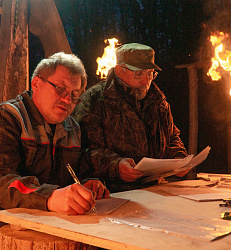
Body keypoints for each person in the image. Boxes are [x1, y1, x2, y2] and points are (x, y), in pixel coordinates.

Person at [0, 52, 109, 215]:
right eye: (61, 89)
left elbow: (77, 174)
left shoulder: (72, 128)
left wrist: (87, 184)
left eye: (74, 95)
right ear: (36, 84)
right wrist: (50, 197)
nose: (67, 101)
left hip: (57, 224)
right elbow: (2, 182)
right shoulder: (8, 118)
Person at [74, 43, 188, 192]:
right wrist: (115, 166)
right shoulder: (94, 100)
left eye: (150, 73)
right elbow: (83, 150)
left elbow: (172, 136)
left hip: (155, 190)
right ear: (120, 70)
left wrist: (178, 158)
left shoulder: (159, 101)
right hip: (111, 194)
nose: (146, 80)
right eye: (139, 74)